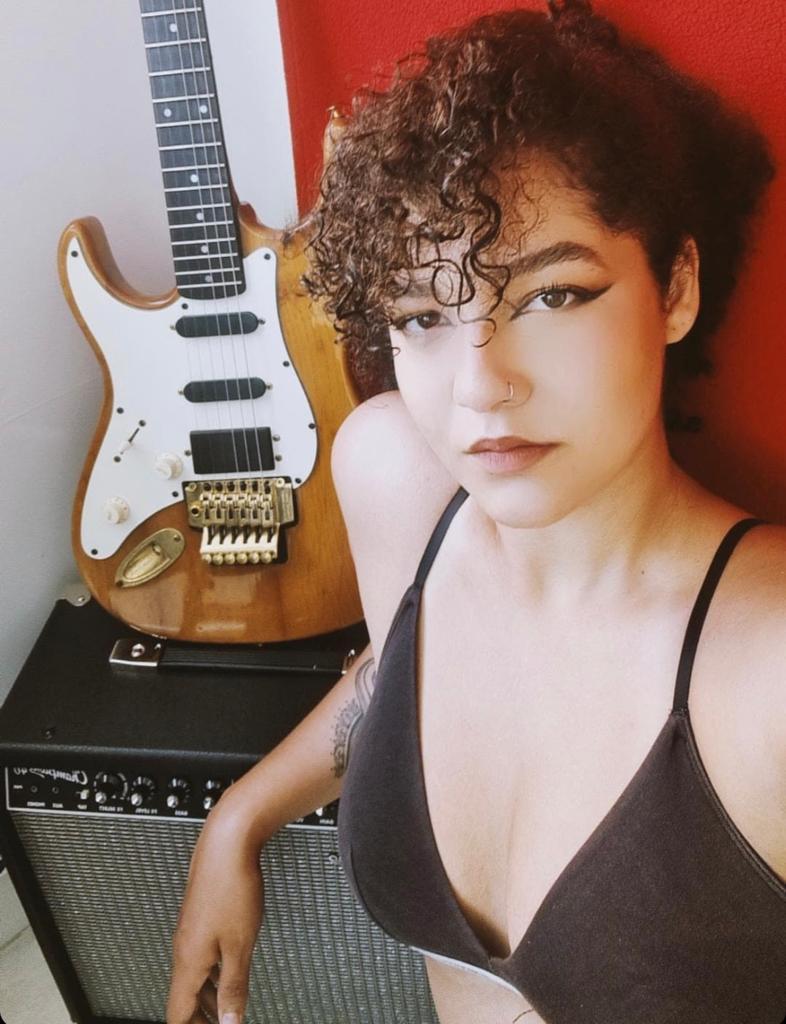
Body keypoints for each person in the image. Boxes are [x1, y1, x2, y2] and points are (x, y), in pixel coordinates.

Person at [166, 2, 786, 1023]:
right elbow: (399, 672)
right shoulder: (398, 480)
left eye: (552, 296)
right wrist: (239, 818)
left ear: (675, 287)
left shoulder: (766, 668)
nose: (481, 386)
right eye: (422, 315)